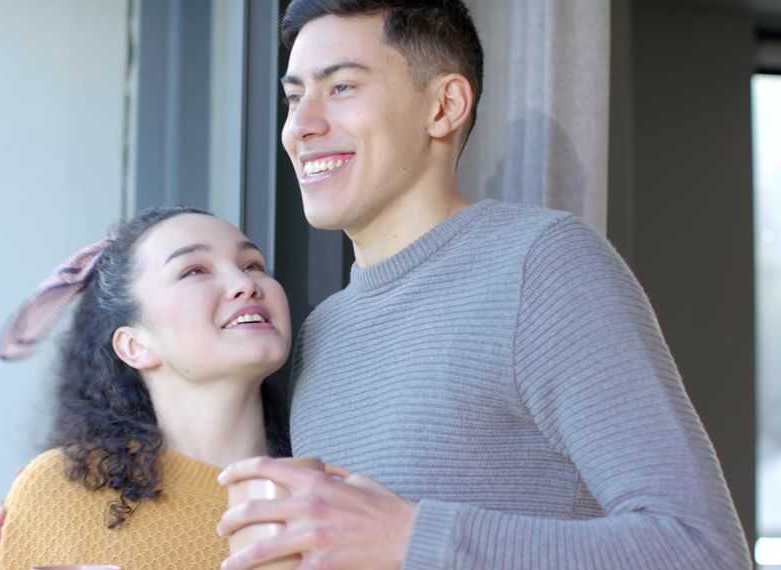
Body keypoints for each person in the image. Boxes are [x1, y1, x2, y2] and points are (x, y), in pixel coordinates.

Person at [213, 1, 751, 569]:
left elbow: (704, 551)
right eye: (294, 97)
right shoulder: (324, 333)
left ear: (444, 106)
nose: (301, 126)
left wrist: (409, 536)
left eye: (341, 87)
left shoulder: (541, 264)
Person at [0, 206, 293, 570]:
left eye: (253, 265)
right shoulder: (54, 497)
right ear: (134, 346)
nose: (246, 284)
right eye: (194, 270)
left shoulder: (333, 488)